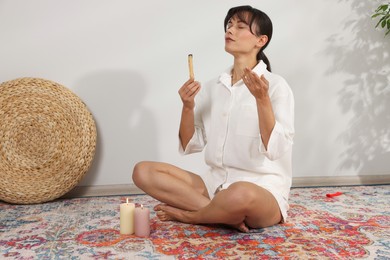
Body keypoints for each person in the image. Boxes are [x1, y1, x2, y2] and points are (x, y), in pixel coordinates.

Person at [132, 5, 294, 232]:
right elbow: (191, 144)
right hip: (214, 184)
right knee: (143, 171)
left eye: (240, 27)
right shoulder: (213, 87)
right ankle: (222, 215)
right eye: (229, 25)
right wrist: (187, 107)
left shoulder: (276, 86)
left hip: (260, 189)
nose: (230, 30)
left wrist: (262, 100)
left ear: (261, 40)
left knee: (240, 192)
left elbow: (276, 149)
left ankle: (192, 216)